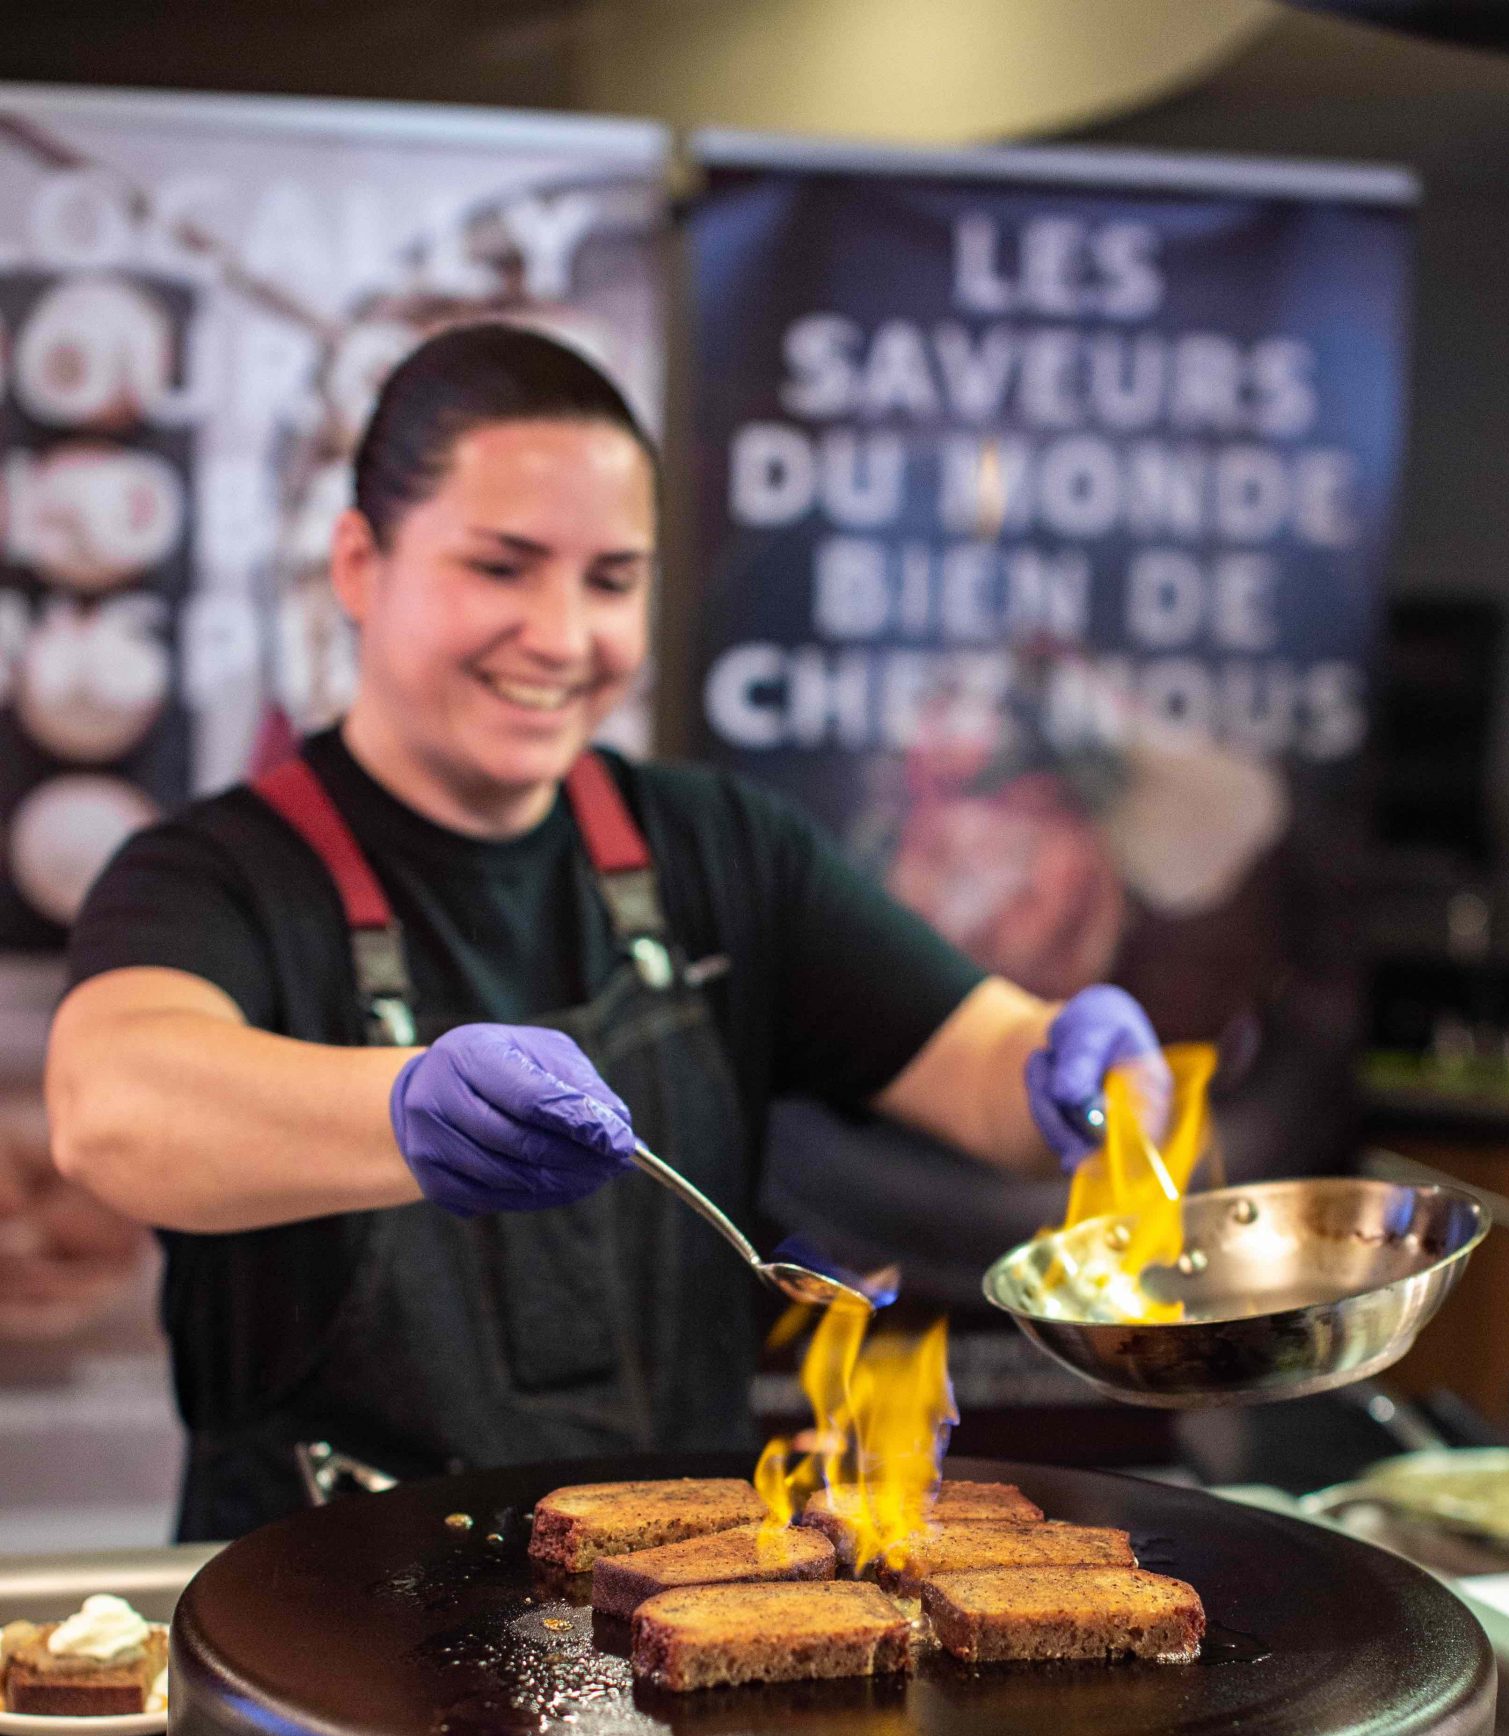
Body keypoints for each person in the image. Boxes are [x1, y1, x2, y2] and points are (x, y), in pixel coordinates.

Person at [46, 324, 1169, 1539]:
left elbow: (988, 1074)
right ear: (360, 563)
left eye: (611, 579)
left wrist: (1082, 1072)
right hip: (313, 1636)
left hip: (661, 1632)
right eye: (501, 567)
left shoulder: (715, 847)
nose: (563, 637)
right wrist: (406, 1111)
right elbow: (111, 1105)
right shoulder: (214, 873)